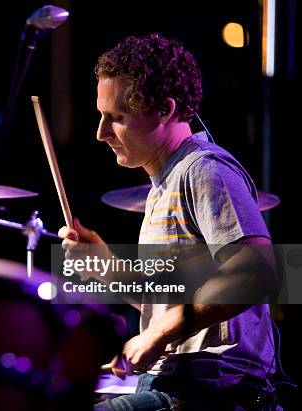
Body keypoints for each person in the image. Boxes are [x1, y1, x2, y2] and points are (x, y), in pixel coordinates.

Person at [59, 33, 279, 410]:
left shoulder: (205, 168)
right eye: (101, 116)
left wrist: (158, 333)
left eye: (117, 118)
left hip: (213, 388)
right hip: (175, 381)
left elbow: (258, 272)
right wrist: (102, 264)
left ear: (164, 110)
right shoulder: (164, 185)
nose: (101, 133)